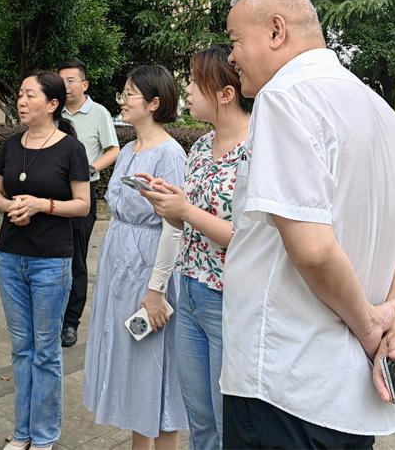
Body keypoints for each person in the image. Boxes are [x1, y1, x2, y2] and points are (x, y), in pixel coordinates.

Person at [220, 0, 395, 448]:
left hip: (286, 381)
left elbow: (313, 251)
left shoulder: (285, 98)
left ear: (276, 30)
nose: (230, 57)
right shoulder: (382, 113)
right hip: (352, 394)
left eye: (235, 40)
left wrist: (370, 326)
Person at [138, 44, 251, 450]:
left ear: (225, 93)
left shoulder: (257, 149)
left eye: (193, 80)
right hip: (190, 290)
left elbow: (252, 240)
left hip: (231, 296)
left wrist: (185, 209)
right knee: (199, 418)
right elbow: (185, 223)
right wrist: (169, 203)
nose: (185, 89)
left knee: (228, 421)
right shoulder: (201, 147)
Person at [82, 65, 188, 450]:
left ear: (154, 103)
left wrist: (157, 289)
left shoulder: (170, 154)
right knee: (129, 359)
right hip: (119, 264)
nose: (122, 101)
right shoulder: (127, 150)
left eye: (130, 94)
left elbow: (174, 225)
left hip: (149, 270)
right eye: (123, 93)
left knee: (153, 367)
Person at [0, 70, 91, 450]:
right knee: (21, 349)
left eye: (30, 95)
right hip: (9, 258)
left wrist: (42, 205)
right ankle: (22, 433)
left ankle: (44, 436)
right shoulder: (12, 145)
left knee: (45, 351)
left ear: (52, 104)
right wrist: (13, 205)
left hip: (51, 262)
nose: (22, 101)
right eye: (20, 95)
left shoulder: (70, 149)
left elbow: (83, 205)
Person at [58, 58, 120, 347]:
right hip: (53, 195)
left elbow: (113, 150)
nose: (66, 85)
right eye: (62, 80)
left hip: (83, 196)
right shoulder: (53, 110)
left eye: (71, 80)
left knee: (75, 259)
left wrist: (91, 168)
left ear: (84, 84)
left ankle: (70, 323)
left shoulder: (99, 113)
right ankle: (52, 317)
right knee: (50, 256)